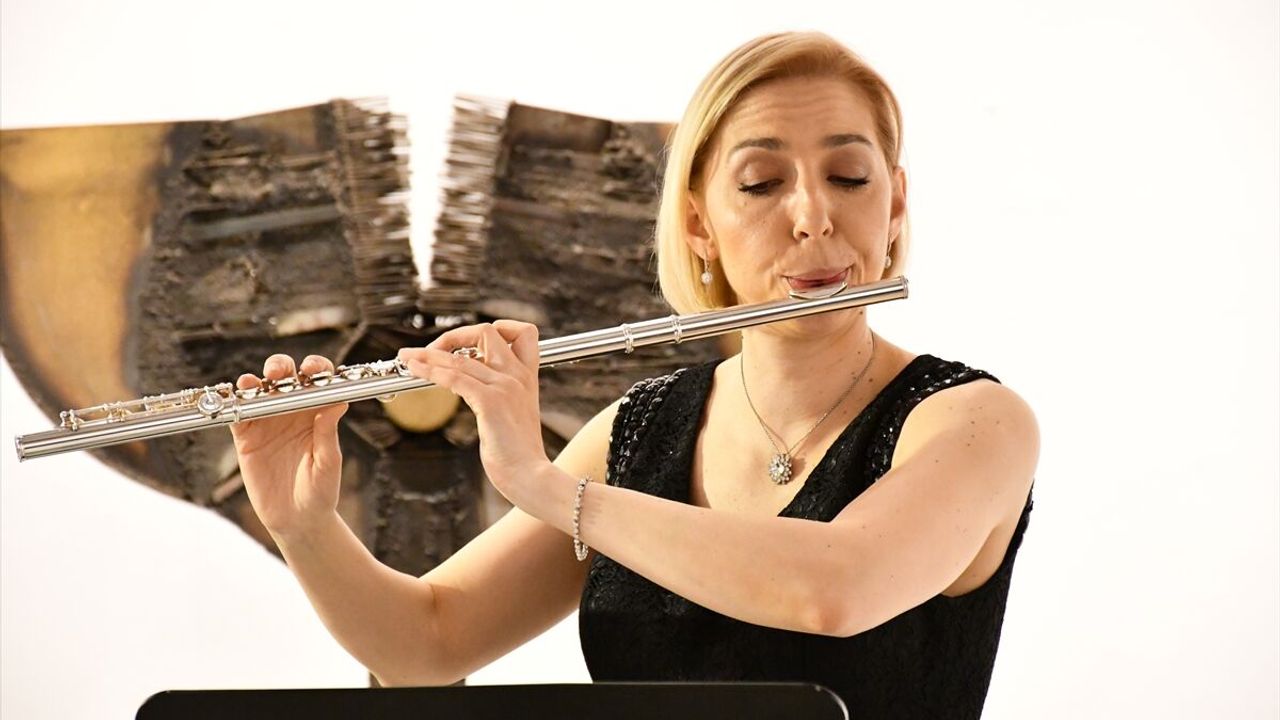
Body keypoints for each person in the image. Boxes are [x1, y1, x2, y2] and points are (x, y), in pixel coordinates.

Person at [230, 31, 1038, 718]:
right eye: (761, 184)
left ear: (893, 205)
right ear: (697, 223)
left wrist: (547, 487)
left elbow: (835, 589)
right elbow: (427, 644)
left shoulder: (975, 422)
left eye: (850, 178)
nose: (813, 217)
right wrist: (304, 526)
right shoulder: (638, 431)